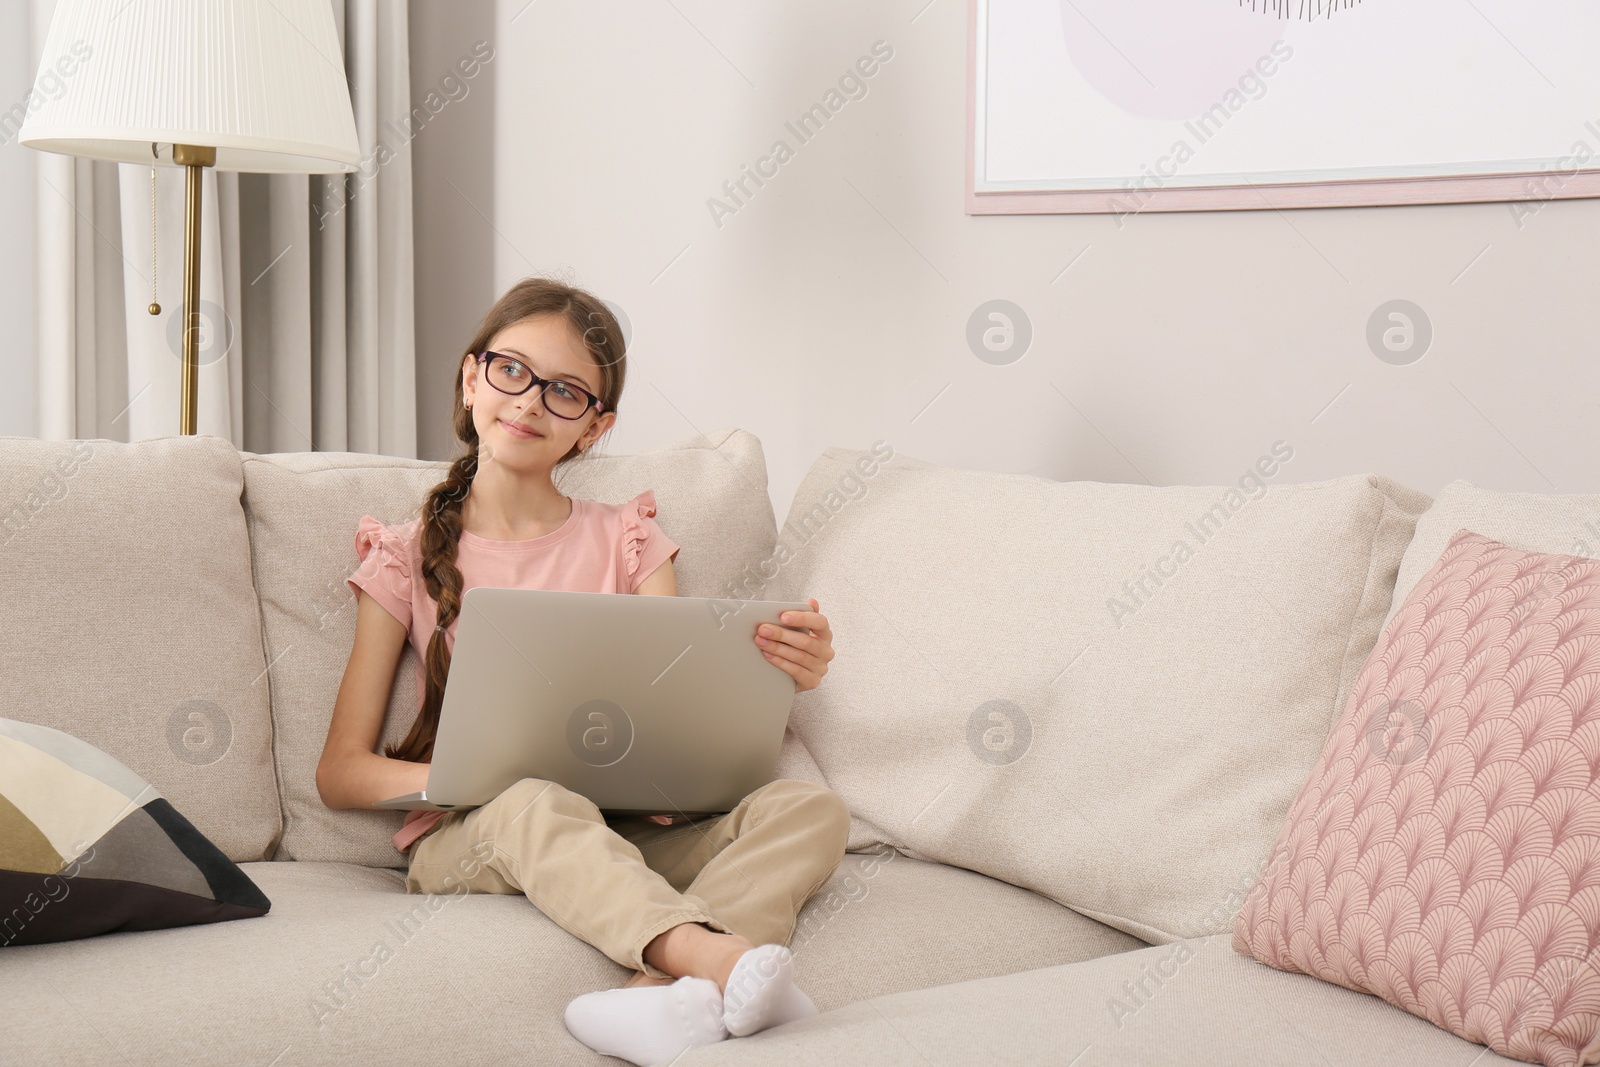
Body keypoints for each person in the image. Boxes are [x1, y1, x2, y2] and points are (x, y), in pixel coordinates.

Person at [315, 276, 849, 1066]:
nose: (529, 402)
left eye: (564, 392)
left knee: (809, 810)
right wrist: (472, 779)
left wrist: (786, 675)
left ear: (593, 428)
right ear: (472, 378)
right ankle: (714, 961)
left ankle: (648, 1002)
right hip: (479, 834)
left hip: (621, 836)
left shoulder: (630, 540)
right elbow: (339, 772)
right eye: (511, 372)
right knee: (535, 796)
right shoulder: (402, 553)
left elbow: (679, 715)